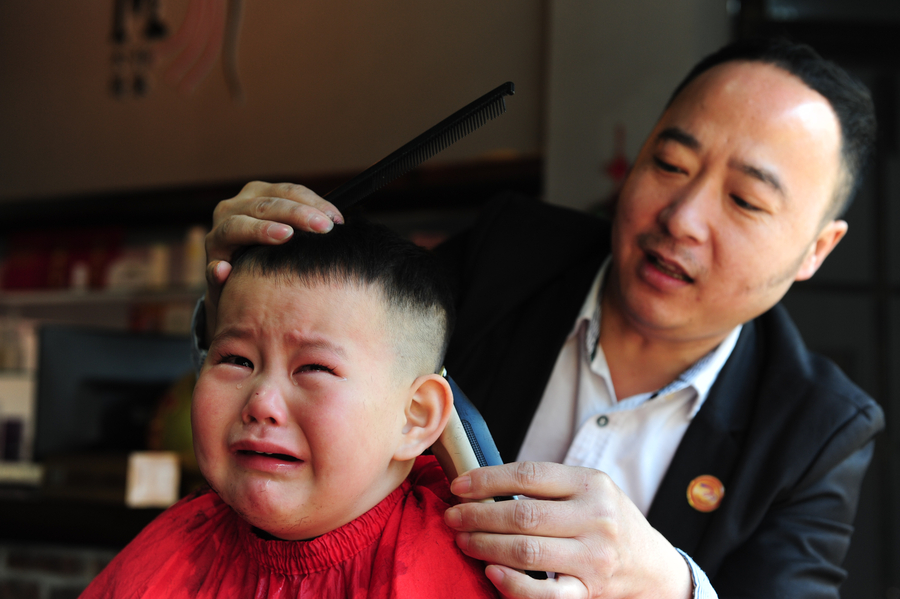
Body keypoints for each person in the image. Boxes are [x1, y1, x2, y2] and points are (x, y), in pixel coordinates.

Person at [196, 39, 884, 599]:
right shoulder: (510, 253)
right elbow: (319, 360)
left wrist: (669, 585)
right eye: (670, 163)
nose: (684, 217)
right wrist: (240, 287)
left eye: (745, 201)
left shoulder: (818, 429)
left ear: (817, 249)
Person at [80, 218, 499, 599]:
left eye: (314, 368)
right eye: (236, 360)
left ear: (416, 416)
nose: (261, 403)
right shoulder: (168, 548)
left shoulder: (466, 570)